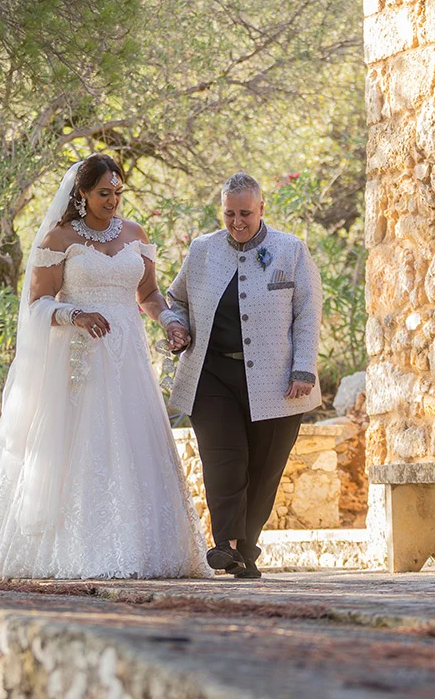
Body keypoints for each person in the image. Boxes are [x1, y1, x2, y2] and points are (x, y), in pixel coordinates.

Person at [0, 155, 210, 582]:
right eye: (103, 193)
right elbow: (38, 303)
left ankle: (143, 546)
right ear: (82, 193)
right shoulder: (60, 238)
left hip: (129, 358)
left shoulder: (135, 234)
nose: (112, 200)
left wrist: (170, 320)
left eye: (117, 192)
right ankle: (77, 548)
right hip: (83, 359)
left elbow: (148, 292)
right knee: (86, 444)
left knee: (135, 444)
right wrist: (73, 314)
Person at [159, 172, 322, 579]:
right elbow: (174, 298)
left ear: (262, 208)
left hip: (276, 381)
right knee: (223, 459)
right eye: (230, 214)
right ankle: (225, 545)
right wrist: (176, 326)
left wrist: (304, 368)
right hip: (211, 374)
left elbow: (307, 313)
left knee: (265, 470)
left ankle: (245, 550)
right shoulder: (202, 250)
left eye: (245, 213)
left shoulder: (291, 250)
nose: (237, 222)